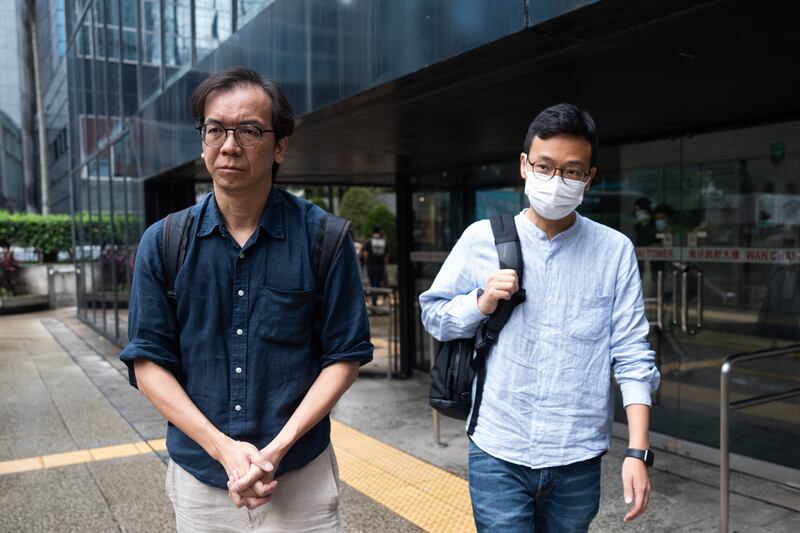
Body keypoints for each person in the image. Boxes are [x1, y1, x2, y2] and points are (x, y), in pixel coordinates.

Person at [120, 67, 373, 532]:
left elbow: (345, 356)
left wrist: (275, 450)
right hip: (203, 479)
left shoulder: (325, 239)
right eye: (215, 129)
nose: (229, 145)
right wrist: (225, 449)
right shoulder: (164, 242)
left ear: (280, 147)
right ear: (202, 140)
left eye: (249, 131)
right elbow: (149, 363)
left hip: (299, 477)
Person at [420, 103, 660, 532]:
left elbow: (632, 353)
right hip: (498, 448)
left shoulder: (614, 249)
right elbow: (434, 314)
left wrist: (637, 452)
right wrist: (480, 303)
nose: (557, 180)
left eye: (571, 171)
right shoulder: (481, 238)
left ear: (588, 177)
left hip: (577, 456)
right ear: (524, 166)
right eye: (545, 166)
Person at [362, 226, 387, 305]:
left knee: (373, 283)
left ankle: (373, 301)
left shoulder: (369, 241)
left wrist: (367, 262)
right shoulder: (383, 241)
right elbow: (387, 254)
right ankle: (374, 300)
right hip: (380, 265)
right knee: (377, 283)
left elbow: (365, 253)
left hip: (371, 265)